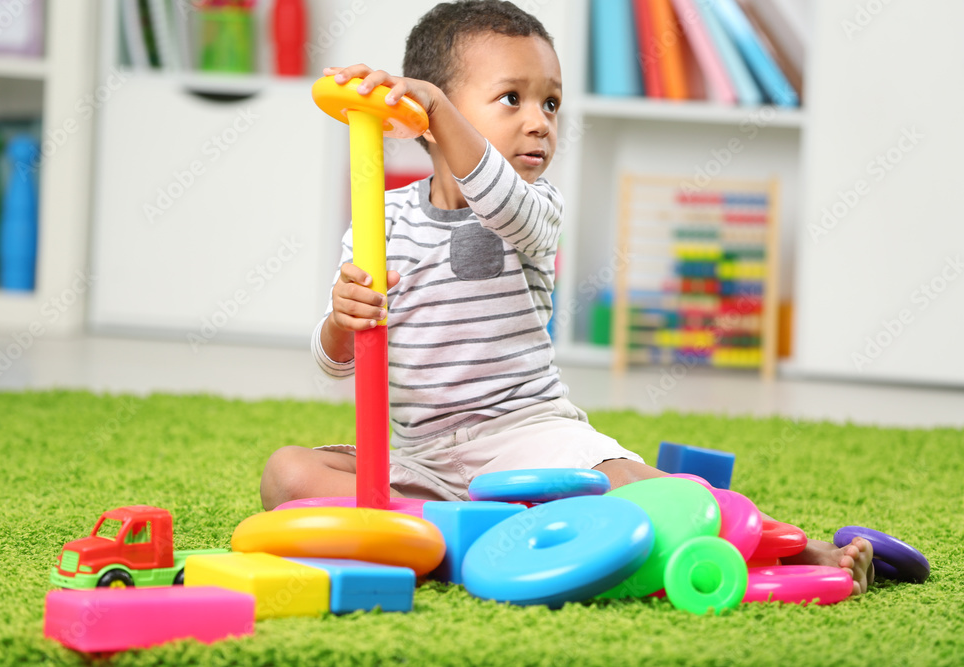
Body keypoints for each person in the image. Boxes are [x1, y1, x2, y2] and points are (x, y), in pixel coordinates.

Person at [260, 0, 874, 595]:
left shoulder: (533, 204)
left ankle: (791, 546)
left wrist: (445, 111)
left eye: (551, 102)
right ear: (423, 116)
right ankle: (492, 528)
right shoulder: (382, 220)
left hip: (527, 434)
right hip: (425, 459)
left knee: (632, 484)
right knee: (287, 474)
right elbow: (336, 362)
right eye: (512, 98)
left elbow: (500, 201)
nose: (540, 121)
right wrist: (343, 323)